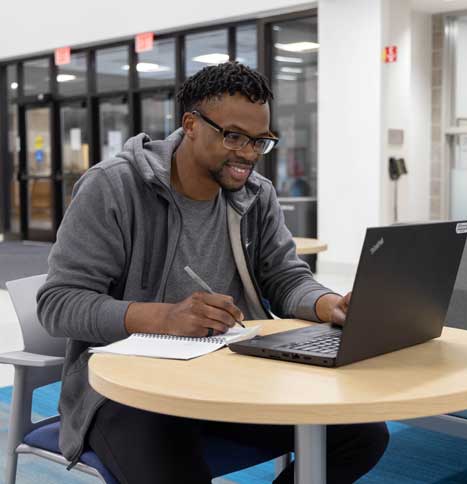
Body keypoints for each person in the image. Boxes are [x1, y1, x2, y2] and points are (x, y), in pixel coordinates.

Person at [37, 62, 389, 484]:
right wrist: (163, 317)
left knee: (362, 434)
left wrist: (328, 304)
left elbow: (285, 276)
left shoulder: (257, 195)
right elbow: (59, 304)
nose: (248, 154)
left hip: (233, 378)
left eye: (261, 141)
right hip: (128, 393)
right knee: (174, 465)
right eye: (234, 136)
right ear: (190, 124)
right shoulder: (113, 188)